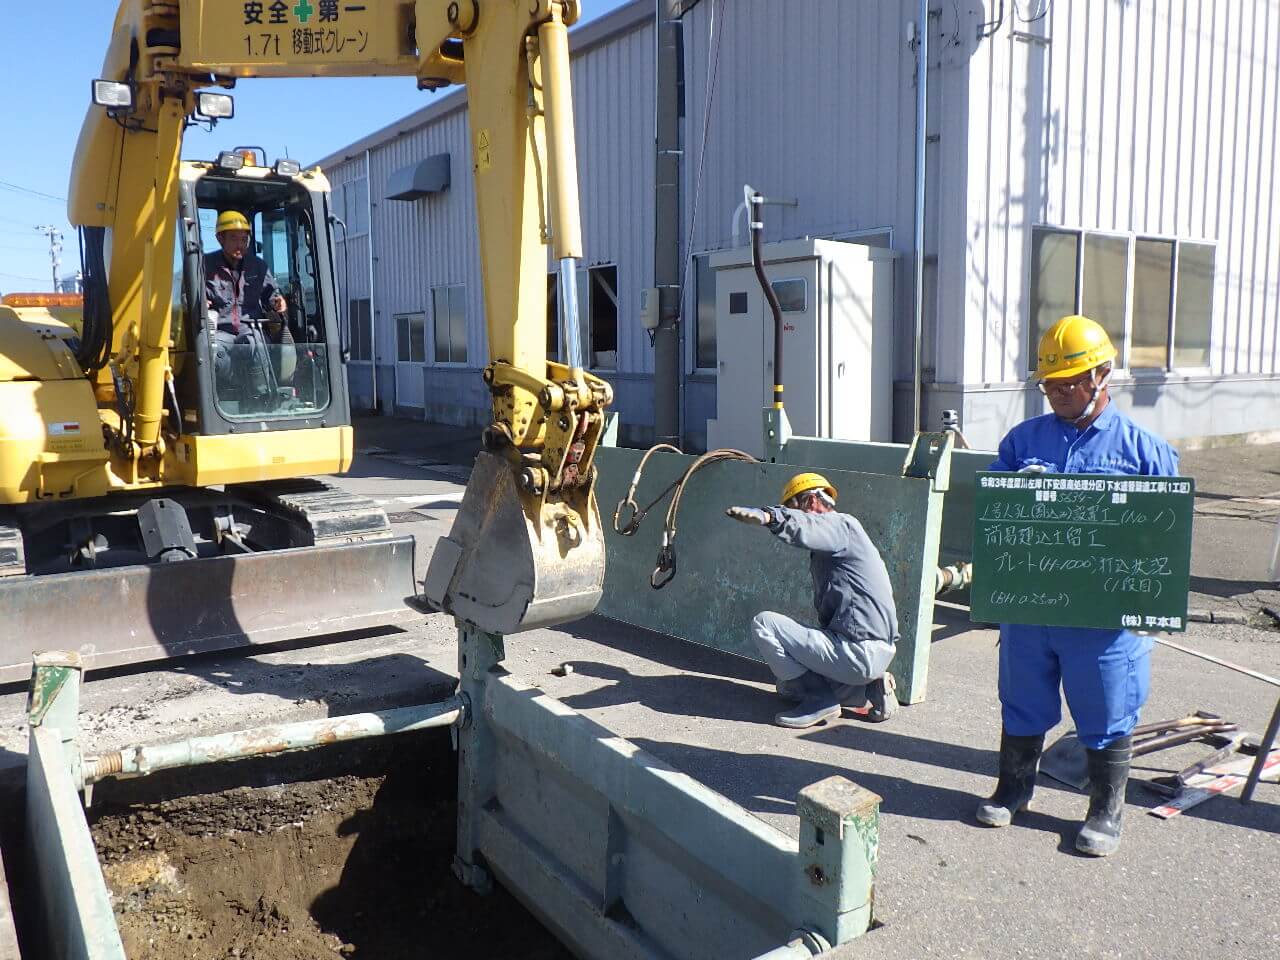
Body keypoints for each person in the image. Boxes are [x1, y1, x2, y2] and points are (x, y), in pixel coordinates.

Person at [976, 314, 1179, 857]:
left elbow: (1168, 538)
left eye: (1071, 382)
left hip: (1104, 619)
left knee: (1107, 708)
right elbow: (992, 512)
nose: (1060, 394)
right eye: (1051, 385)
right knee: (1021, 700)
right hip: (1033, 609)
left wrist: (1149, 607)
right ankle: (1014, 787)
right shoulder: (1023, 442)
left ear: (1103, 374)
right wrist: (1007, 488)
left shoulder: (1145, 453)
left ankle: (1105, 809)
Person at [726, 473, 900, 729]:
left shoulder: (840, 526)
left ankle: (820, 701)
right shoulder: (846, 537)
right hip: (874, 652)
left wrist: (771, 517)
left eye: (793, 507)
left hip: (857, 650)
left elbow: (805, 527)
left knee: (764, 624)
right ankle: (870, 689)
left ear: (810, 502)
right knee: (787, 688)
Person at [203, 209, 290, 393]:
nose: (240, 244)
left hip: (251, 328)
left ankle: (263, 396)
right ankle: (229, 392)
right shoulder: (205, 265)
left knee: (256, 346)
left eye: (244, 239)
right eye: (234, 238)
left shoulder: (258, 266)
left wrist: (278, 301)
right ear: (220, 238)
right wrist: (200, 302)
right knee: (212, 351)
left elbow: (272, 293)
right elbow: (189, 296)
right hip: (221, 330)